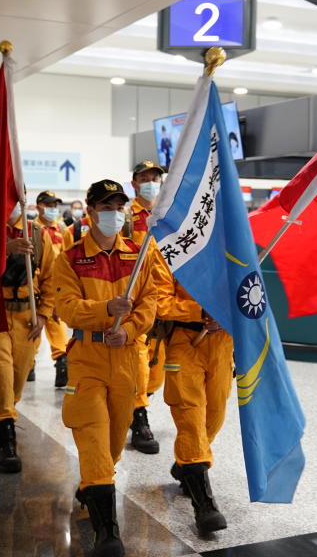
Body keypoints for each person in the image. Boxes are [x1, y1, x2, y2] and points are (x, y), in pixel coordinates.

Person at [53, 179, 159, 557]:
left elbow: (149, 302)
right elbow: (65, 307)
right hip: (87, 359)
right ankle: (107, 531)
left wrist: (128, 330)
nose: (115, 212)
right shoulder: (69, 259)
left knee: (114, 443)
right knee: (94, 435)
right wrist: (104, 311)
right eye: (107, 206)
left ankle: (93, 483)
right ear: (91, 210)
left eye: (119, 205)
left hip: (128, 359)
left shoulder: (138, 254)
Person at [0, 208, 56, 472]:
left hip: (26, 316)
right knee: (0, 371)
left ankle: (4, 414)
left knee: (17, 375)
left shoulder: (36, 233)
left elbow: (50, 276)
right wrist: (4, 249)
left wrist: (44, 314)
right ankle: (5, 432)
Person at [157, 275, 231, 534]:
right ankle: (205, 506)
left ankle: (185, 465)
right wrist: (199, 312)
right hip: (185, 341)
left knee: (215, 415)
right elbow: (160, 302)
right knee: (190, 417)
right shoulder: (171, 248)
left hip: (223, 344)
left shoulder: (235, 251)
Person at [127, 160, 167, 454]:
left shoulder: (170, 215)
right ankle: (139, 417)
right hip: (137, 301)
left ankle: (133, 400)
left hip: (167, 303)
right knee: (140, 361)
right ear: (134, 183)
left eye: (155, 177)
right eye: (145, 177)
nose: (151, 182)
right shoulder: (125, 217)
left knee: (158, 369)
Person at [34, 190, 73, 388]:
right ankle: (30, 361)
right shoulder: (32, 230)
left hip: (55, 284)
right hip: (34, 283)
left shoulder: (62, 230)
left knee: (54, 320)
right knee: (31, 323)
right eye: (48, 205)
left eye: (54, 205)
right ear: (39, 206)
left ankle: (62, 361)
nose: (52, 209)